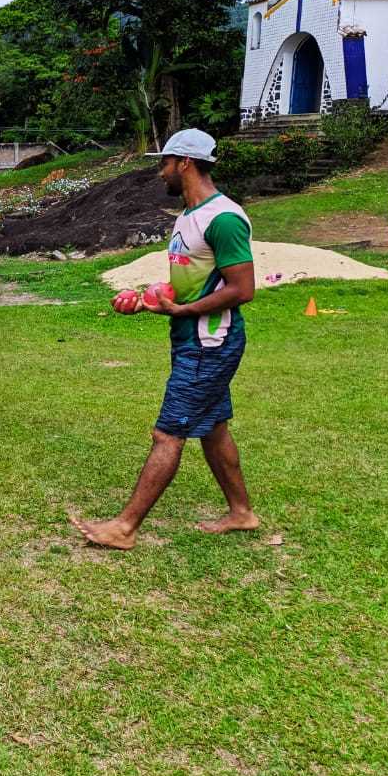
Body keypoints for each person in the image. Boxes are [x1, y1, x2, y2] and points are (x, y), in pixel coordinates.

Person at [73, 129, 259, 550]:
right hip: (192, 338)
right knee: (212, 427)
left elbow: (242, 289)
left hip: (209, 343)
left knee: (168, 434)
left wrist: (184, 312)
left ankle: (124, 528)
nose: (161, 173)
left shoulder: (223, 219)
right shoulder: (188, 217)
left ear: (185, 163)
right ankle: (242, 512)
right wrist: (148, 301)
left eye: (165, 163)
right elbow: (190, 282)